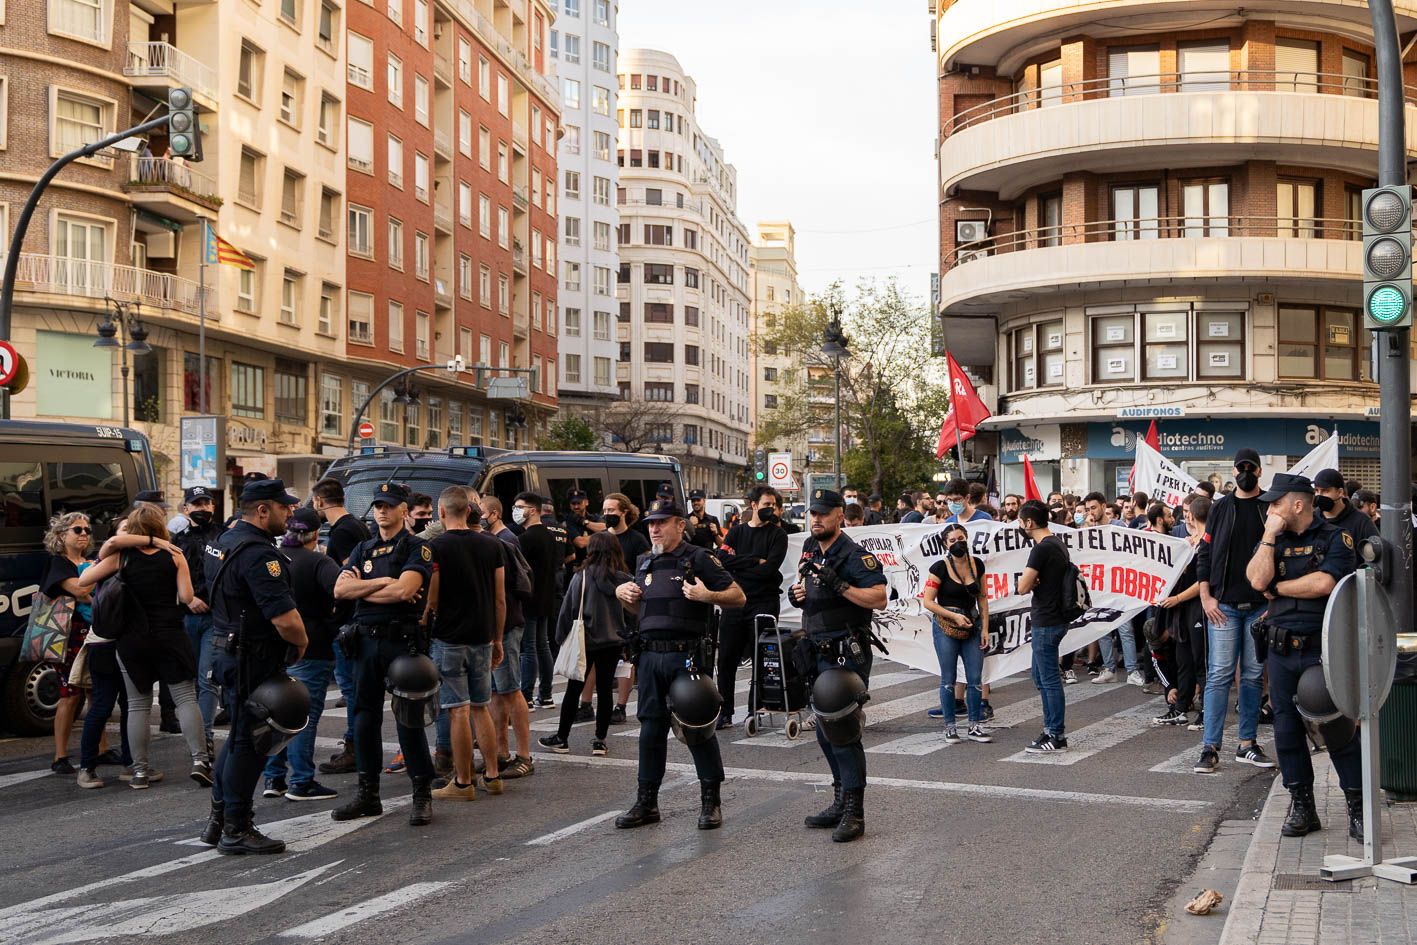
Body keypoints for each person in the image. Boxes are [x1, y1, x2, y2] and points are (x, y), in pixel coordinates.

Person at [613, 498, 745, 831]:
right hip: (650, 657)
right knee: (650, 732)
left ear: (680, 525)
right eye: (650, 523)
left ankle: (710, 802)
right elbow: (644, 613)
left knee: (697, 727)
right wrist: (624, 597)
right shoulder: (644, 562)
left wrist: (708, 596)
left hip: (685, 657)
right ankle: (647, 803)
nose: (654, 528)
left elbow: (737, 596)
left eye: (661, 522)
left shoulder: (698, 558)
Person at [1246, 473, 1362, 839]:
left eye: (1276, 504)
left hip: (1320, 650)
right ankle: (1303, 806)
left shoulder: (1333, 538)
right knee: (1286, 731)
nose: (1270, 510)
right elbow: (1254, 580)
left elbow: (1324, 583)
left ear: (1297, 504)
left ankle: (1358, 808)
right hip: (1280, 650)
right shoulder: (1272, 540)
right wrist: (1268, 536)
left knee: (1336, 728)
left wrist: (1278, 588)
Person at [194, 479, 308, 853]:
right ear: (262, 510)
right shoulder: (260, 554)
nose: (290, 513)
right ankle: (236, 828)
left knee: (240, 735)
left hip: (226, 648)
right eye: (283, 507)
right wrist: (301, 641)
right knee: (250, 742)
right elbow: (285, 619)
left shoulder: (223, 541)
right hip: (252, 655)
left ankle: (219, 819)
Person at [80, 505, 209, 788]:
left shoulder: (121, 557)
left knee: (138, 705)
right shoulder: (175, 556)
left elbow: (84, 580)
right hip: (170, 635)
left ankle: (139, 772)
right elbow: (187, 596)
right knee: (185, 698)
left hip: (132, 639)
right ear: (160, 528)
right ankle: (200, 760)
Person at [332, 481, 437, 826]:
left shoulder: (416, 547)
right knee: (363, 719)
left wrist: (365, 589)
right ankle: (368, 794)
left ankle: (421, 794)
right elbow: (341, 589)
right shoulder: (363, 548)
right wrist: (382, 585)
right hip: (365, 642)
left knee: (408, 719)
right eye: (378, 505)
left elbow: (407, 589)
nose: (382, 511)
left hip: (400, 642)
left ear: (403, 511)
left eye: (389, 505)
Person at [788, 489, 887, 842]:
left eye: (823, 514)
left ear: (839, 516)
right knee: (823, 730)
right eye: (812, 513)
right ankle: (839, 798)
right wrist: (797, 594)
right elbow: (803, 587)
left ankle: (854, 812)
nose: (815, 519)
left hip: (846, 651)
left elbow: (878, 596)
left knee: (843, 730)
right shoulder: (810, 550)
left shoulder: (855, 556)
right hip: (815, 649)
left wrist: (842, 585)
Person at [420, 486, 506, 801]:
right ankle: (493, 775)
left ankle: (463, 782)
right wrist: (497, 638)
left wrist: (428, 615)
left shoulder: (436, 546)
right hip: (483, 635)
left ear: (441, 513)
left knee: (457, 710)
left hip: (449, 637)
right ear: (470, 511)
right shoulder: (492, 545)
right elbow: (500, 599)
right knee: (482, 706)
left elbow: (432, 596)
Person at [1193, 447, 1275, 775]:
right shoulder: (1220, 509)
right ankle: (1209, 748)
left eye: (1250, 468)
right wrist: (1206, 597)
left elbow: (1278, 556)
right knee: (1219, 676)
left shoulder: (1269, 507)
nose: (1245, 472)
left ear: (1259, 472)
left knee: (1253, 677)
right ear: (1233, 470)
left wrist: (1273, 600)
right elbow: (1205, 553)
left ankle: (1247, 744)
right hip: (1223, 607)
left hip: (1258, 607)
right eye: (1240, 467)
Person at [261, 506, 342, 801]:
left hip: (274, 643)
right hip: (312, 645)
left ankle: (273, 778)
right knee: (304, 716)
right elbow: (340, 590)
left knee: (277, 711)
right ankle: (302, 780)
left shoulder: (273, 559)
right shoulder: (319, 562)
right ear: (316, 533)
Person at [540, 531, 633, 755]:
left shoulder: (582, 577)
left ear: (591, 550)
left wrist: (560, 638)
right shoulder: (623, 578)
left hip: (586, 641)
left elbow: (567, 610)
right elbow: (632, 613)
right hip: (613, 642)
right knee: (604, 690)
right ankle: (600, 740)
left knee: (574, 690)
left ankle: (562, 738)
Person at [716, 486, 789, 728]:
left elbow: (769, 570)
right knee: (726, 659)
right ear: (754, 505)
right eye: (766, 504)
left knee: (761, 659)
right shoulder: (736, 532)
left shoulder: (778, 535)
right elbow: (722, 560)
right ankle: (724, 712)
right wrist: (754, 560)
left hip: (763, 602)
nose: (770, 509)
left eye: (773, 506)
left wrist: (741, 567)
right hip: (735, 601)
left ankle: (753, 711)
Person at [313, 477, 370, 777]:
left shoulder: (343, 531)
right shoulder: (355, 525)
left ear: (320, 501)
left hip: (347, 620)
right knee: (354, 687)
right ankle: (355, 745)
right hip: (354, 619)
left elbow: (351, 573)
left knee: (350, 688)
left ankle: (354, 748)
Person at [43, 513, 103, 777]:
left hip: (94, 632)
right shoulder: (59, 563)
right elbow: (81, 591)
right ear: (61, 535)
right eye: (77, 529)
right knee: (70, 694)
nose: (84, 533)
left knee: (96, 692)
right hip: (70, 635)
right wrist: (99, 590)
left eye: (88, 530)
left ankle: (102, 748)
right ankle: (60, 755)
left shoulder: (90, 562)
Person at [921, 523, 991, 743]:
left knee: (975, 678)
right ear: (945, 544)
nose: (957, 543)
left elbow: (982, 598)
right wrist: (953, 616)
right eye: (952, 540)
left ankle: (974, 726)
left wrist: (985, 628)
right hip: (946, 627)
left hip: (972, 625)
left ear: (967, 538)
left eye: (961, 538)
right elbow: (928, 601)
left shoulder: (977, 564)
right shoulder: (939, 568)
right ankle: (950, 727)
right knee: (948, 678)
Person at [482, 495, 536, 780]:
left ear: (492, 513)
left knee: (511, 690)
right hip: (496, 626)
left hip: (506, 625)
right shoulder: (497, 538)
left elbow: (507, 591)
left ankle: (524, 755)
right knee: (495, 692)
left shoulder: (505, 540)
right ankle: (501, 752)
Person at [1016, 499, 1071, 753]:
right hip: (1054, 617)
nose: (1019, 526)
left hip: (1046, 620)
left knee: (1048, 680)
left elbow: (1023, 586)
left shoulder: (1040, 549)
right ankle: (1050, 728)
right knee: (1039, 675)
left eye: (1020, 521)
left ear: (1029, 522)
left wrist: (1029, 580)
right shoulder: (1058, 543)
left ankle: (1055, 734)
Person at [1153, 496, 1210, 728]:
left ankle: (1207, 711)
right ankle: (1180, 708)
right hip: (1183, 611)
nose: (1185, 516)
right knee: (1183, 658)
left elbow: (1203, 582)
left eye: (1188, 512)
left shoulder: (1208, 541)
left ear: (1193, 516)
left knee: (1201, 663)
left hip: (1198, 608)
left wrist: (1176, 598)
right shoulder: (1189, 541)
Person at [175, 486, 223, 755]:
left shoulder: (224, 538)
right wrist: (188, 599)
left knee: (207, 681)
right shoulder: (176, 541)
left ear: (213, 507)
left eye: (206, 503)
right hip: (185, 619)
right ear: (186, 509)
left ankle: (204, 740)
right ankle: (195, 740)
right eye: (196, 504)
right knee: (188, 683)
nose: (202, 508)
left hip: (215, 620)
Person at [514, 492, 570, 710]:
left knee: (529, 648)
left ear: (533, 510)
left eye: (520, 507)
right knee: (542, 645)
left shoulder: (526, 538)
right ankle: (545, 694)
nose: (516, 511)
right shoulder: (549, 535)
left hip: (529, 598)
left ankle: (526, 695)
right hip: (546, 596)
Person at [1313, 468, 1378, 546]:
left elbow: (1376, 553)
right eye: (1316, 490)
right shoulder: (1312, 519)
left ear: (1340, 492)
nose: (1319, 495)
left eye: (1325, 491)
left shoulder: (1361, 521)